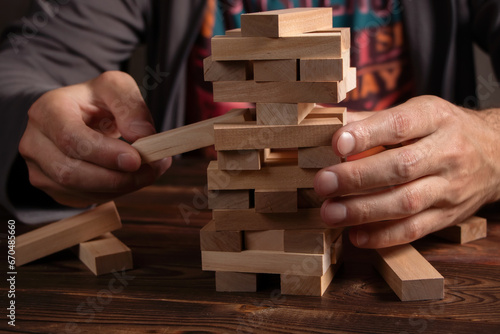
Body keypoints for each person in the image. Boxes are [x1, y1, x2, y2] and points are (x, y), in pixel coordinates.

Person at [0, 0, 499, 248]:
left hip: (399, 228)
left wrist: (494, 143)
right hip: (212, 215)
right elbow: (26, 62)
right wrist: (39, 115)